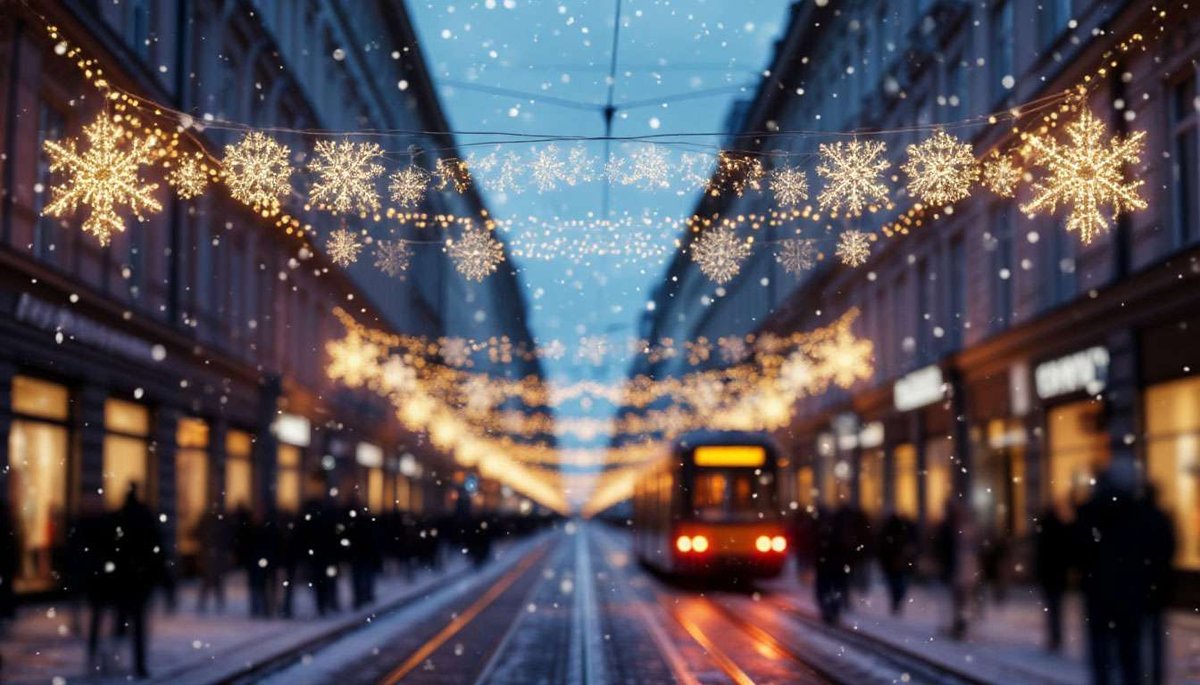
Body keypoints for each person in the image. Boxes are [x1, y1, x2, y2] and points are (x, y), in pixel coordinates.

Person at [1074, 460, 1148, 685]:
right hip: (1129, 592)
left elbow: (1079, 550)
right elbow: (1151, 550)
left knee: (1101, 651)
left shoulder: (1090, 511)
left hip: (1099, 591)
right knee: (1130, 651)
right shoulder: (1137, 512)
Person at [110, 484, 163, 679]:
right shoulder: (145, 516)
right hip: (141, 579)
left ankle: (113, 661)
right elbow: (156, 547)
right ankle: (139, 665)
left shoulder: (120, 516)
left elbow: (113, 547)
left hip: (124, 578)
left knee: (121, 618)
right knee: (138, 624)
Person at [1141, 484, 1176, 685]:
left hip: (1142, 585)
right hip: (1157, 583)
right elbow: (1170, 547)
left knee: (1142, 632)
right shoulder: (1161, 518)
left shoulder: (1138, 519)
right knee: (1155, 631)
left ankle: (1147, 671)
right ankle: (1156, 672)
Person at [936, 499, 979, 640]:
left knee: (961, 599)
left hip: (963, 568)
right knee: (959, 599)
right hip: (960, 568)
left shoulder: (960, 528)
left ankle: (960, 624)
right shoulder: (954, 528)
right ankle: (959, 624)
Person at [1034, 503, 1072, 652]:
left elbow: (1040, 553)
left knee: (1052, 607)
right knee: (1056, 607)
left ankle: (1054, 636)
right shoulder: (1060, 527)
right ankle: (1056, 636)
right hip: (1057, 573)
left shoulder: (1044, 528)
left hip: (1049, 573)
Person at [813, 504, 849, 624]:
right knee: (834, 590)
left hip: (826, 567)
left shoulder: (820, 530)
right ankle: (833, 611)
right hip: (834, 567)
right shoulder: (838, 532)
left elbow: (815, 548)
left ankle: (829, 611)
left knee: (825, 589)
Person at [877, 509, 917, 615]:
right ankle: (897, 601)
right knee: (899, 584)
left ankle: (896, 601)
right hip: (897, 564)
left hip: (893, 564)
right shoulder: (903, 532)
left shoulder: (888, 532)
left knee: (895, 584)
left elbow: (881, 548)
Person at [194, 505, 230, 613]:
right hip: (212, 555)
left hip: (211, 555)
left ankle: (209, 603)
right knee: (213, 581)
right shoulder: (218, 522)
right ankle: (215, 602)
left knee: (211, 581)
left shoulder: (209, 523)